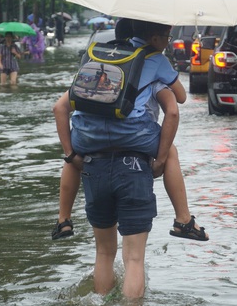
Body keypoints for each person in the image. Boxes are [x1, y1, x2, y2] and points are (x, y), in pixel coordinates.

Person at [51, 19, 206, 299]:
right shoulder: (155, 59)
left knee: (104, 253)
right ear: (154, 37)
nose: (169, 41)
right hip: (134, 158)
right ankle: (183, 219)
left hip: (92, 159)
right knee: (133, 259)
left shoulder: (97, 58)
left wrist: (72, 153)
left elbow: (59, 108)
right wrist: (157, 160)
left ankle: (63, 217)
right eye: (167, 36)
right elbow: (177, 105)